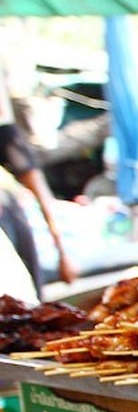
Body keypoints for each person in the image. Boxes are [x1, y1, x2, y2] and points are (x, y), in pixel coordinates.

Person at [0, 123, 77, 297]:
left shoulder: (6, 136)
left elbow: (42, 195)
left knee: (23, 308)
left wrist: (62, 253)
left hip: (13, 248)